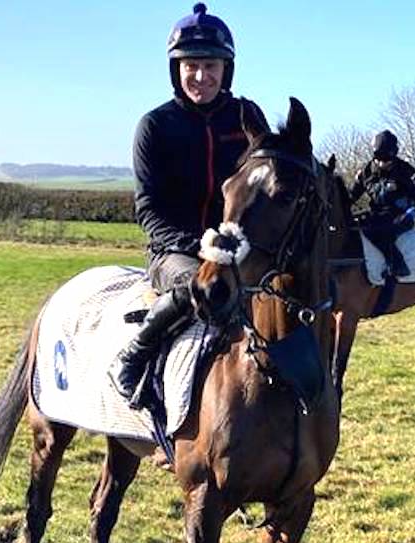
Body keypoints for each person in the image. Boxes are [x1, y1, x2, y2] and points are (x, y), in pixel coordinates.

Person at [107, 3, 267, 406]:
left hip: (242, 249)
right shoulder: (155, 126)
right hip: (175, 253)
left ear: (225, 69)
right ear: (176, 70)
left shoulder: (248, 117)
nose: (200, 76)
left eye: (210, 66)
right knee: (202, 288)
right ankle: (134, 355)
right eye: (190, 66)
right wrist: (196, 243)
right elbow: (148, 209)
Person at [349, 130, 415, 279]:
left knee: (379, 232)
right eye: (378, 158)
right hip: (377, 214)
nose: (382, 163)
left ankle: (398, 265)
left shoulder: (406, 171)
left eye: (386, 159)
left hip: (400, 215)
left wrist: (411, 214)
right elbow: (350, 197)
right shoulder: (366, 172)